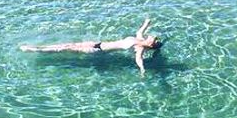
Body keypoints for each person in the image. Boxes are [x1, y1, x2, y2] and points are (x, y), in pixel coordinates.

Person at [20, 18, 163, 75]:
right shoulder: (139, 38)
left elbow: (138, 59)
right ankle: (38, 48)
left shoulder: (140, 48)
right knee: (68, 45)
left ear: (150, 44)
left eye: (154, 39)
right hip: (97, 44)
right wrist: (147, 23)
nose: (153, 37)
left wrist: (142, 69)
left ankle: (34, 50)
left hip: (95, 50)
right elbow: (141, 30)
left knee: (64, 48)